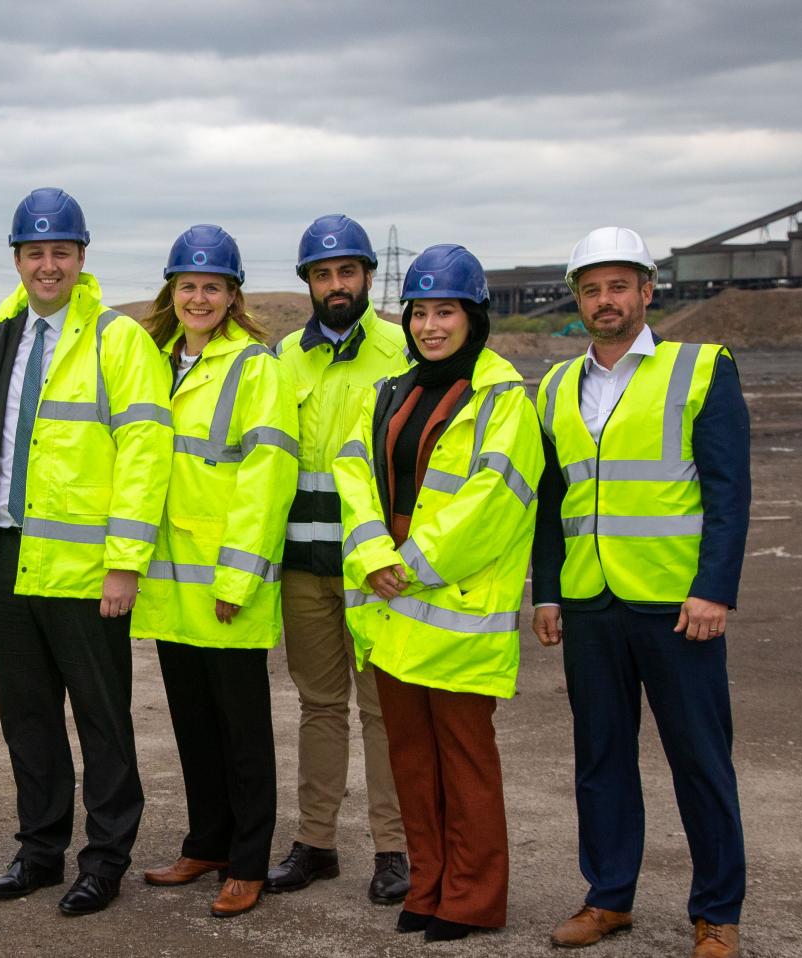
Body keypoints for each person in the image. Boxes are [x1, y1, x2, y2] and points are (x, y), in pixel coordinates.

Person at [0, 189, 171, 917]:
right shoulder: (0, 336)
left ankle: (104, 860)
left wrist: (125, 559)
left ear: (81, 258)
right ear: (17, 260)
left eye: (60, 252)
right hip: (11, 555)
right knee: (28, 717)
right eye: (35, 253)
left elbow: (145, 450)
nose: (48, 265)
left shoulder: (117, 340)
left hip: (86, 568)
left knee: (102, 721)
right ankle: (39, 852)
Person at [534, 228, 751, 958]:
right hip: (590, 602)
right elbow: (553, 497)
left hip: (675, 604)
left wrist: (714, 588)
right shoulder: (559, 386)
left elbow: (728, 491)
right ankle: (608, 898)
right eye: (591, 289)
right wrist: (549, 591)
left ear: (647, 291)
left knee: (699, 758)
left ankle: (717, 913)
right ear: (578, 299)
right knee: (601, 757)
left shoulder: (700, 369)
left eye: (618, 286)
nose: (605, 301)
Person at [334, 244, 541, 942]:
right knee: (411, 762)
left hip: (455, 611)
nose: (429, 326)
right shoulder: (392, 389)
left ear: (472, 317)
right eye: (419, 312)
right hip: (392, 607)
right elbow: (352, 468)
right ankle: (427, 885)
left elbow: (493, 501)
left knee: (466, 763)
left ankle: (474, 898)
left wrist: (408, 562)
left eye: (444, 312)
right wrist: (370, 553)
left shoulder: (503, 398)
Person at [130, 226, 300, 919]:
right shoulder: (155, 362)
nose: (199, 297)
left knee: (242, 729)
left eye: (213, 286)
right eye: (188, 285)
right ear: (172, 291)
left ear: (233, 297)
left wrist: (238, 577)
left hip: (226, 581)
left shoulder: (254, 367)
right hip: (172, 583)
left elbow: (268, 475)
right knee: (193, 722)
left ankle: (248, 861)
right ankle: (206, 842)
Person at [267, 214, 412, 905]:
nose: (335, 284)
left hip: (373, 571)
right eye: (322, 275)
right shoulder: (283, 357)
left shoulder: (404, 352)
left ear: (366, 277)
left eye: (346, 272)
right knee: (319, 706)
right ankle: (316, 843)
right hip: (302, 567)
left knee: (385, 711)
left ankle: (394, 849)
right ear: (308, 284)